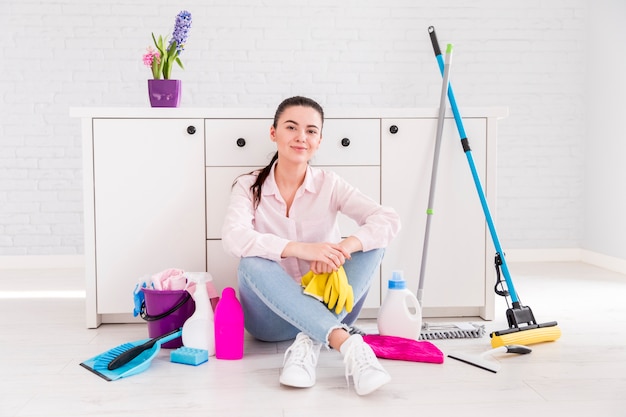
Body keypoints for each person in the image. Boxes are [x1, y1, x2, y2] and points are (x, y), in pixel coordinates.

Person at [221, 96, 401, 396]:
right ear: (273, 132)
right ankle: (346, 343)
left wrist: (341, 249)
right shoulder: (248, 186)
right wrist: (301, 248)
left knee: (373, 245)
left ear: (319, 141)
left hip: (330, 305)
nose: (301, 137)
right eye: (291, 127)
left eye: (311, 131)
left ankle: (309, 340)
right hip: (271, 320)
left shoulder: (330, 184)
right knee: (251, 260)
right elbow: (233, 237)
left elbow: (387, 219)